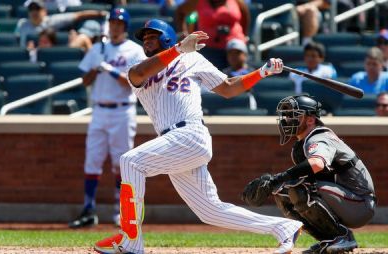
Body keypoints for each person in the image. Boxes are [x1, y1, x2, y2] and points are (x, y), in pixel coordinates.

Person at [93, 19, 303, 254]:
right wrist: (179, 49)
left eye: (153, 36)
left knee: (130, 162)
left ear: (168, 38)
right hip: (172, 142)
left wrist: (262, 72)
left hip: (189, 134)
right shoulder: (139, 62)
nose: (147, 40)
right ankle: (284, 227)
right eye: (144, 38)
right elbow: (139, 74)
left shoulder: (192, 59)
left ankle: (130, 243)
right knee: (210, 211)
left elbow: (228, 88)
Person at [242, 94, 376, 253]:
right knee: (281, 190)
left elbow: (317, 164)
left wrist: (278, 178)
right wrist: (276, 183)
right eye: (286, 115)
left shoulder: (318, 137)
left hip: (360, 204)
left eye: (294, 116)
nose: (287, 120)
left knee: (300, 189)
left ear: (310, 120)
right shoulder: (302, 144)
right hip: (345, 199)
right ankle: (328, 240)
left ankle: (343, 237)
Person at [68, 7, 146, 229]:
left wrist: (109, 69)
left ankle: (120, 212)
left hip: (123, 110)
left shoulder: (134, 51)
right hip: (99, 110)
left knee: (120, 164)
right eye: (112, 22)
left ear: (125, 27)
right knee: (92, 161)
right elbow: (85, 81)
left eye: (119, 23)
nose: (115, 27)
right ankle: (88, 209)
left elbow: (132, 82)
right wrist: (96, 68)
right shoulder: (97, 49)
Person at [175, 0, 250, 70]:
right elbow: (180, 12)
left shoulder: (236, 1)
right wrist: (182, 33)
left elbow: (245, 15)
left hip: (234, 49)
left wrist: (244, 35)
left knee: (237, 78)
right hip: (207, 50)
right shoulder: (198, 1)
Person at [15, 0, 108, 47]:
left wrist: (99, 13)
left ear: (44, 11)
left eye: (37, 9)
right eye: (31, 9)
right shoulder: (22, 24)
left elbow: (78, 15)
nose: (34, 12)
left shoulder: (51, 20)